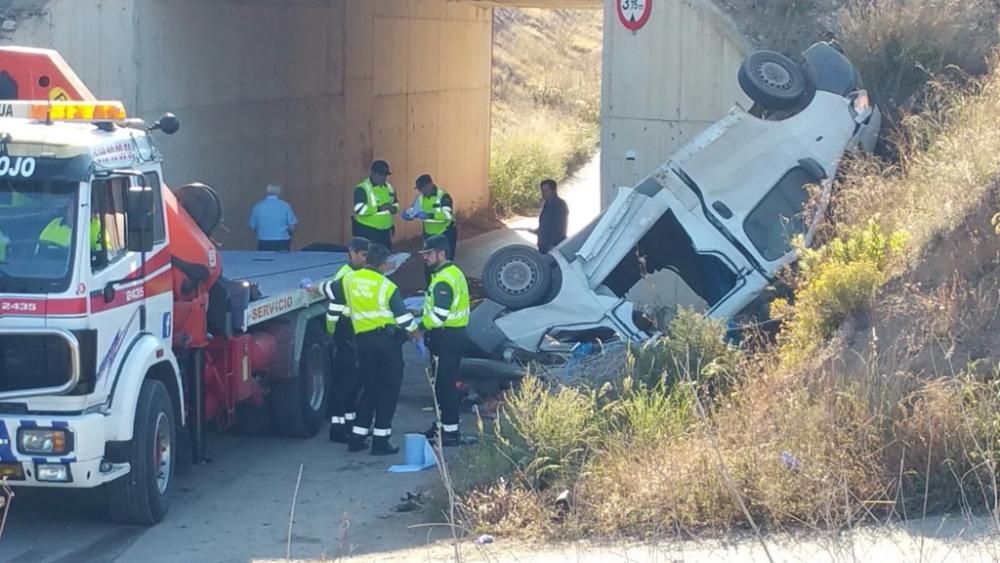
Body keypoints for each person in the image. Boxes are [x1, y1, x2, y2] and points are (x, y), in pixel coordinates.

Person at [329, 243, 419, 455]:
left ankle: (357, 439)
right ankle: (380, 442)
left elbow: (331, 292)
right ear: (385, 264)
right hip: (387, 344)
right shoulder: (386, 286)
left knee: (369, 389)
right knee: (388, 391)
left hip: (362, 342)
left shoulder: (349, 279)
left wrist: (330, 327)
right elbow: (403, 317)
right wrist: (417, 336)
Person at [413, 235, 472, 447]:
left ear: (441, 253)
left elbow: (438, 316)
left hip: (447, 337)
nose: (425, 258)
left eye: (428, 254)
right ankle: (442, 427)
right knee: (442, 385)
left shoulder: (444, 280)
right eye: (423, 255)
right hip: (451, 336)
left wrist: (418, 327)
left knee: (445, 386)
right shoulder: (451, 274)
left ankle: (450, 433)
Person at [309, 237, 370, 443]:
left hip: (355, 332)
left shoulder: (358, 274)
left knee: (354, 383)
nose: (364, 259)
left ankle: (350, 423)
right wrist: (330, 333)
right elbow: (334, 309)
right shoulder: (346, 275)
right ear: (352, 253)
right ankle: (337, 428)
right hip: (345, 332)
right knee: (343, 382)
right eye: (362, 255)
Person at [404, 174, 457, 283]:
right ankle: (430, 288)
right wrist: (408, 214)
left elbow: (447, 215)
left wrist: (429, 215)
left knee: (444, 263)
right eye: (419, 189)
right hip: (429, 235)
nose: (421, 191)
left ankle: (445, 285)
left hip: (445, 234)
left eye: (422, 188)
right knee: (428, 263)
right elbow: (414, 210)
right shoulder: (420, 198)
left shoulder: (443, 196)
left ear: (429, 185)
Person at [352, 160, 399, 250]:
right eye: (380, 175)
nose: (383, 177)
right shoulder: (362, 188)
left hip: (385, 233)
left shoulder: (389, 188)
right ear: (373, 173)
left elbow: (396, 203)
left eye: (385, 175)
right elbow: (359, 209)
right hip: (367, 232)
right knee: (369, 261)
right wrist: (379, 208)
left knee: (384, 260)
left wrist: (394, 209)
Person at [249, 184, 298, 251]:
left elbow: (253, 227)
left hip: (263, 242)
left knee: (264, 261)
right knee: (283, 261)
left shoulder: (258, 206)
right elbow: (292, 227)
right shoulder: (285, 206)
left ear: (267, 192)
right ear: (279, 192)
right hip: (282, 241)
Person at [532, 178, 568, 254]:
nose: (544, 193)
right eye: (542, 191)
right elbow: (546, 224)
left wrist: (552, 246)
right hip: (544, 246)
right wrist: (538, 231)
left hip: (553, 247)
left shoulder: (559, 205)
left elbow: (559, 227)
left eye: (547, 190)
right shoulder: (547, 204)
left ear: (554, 190)